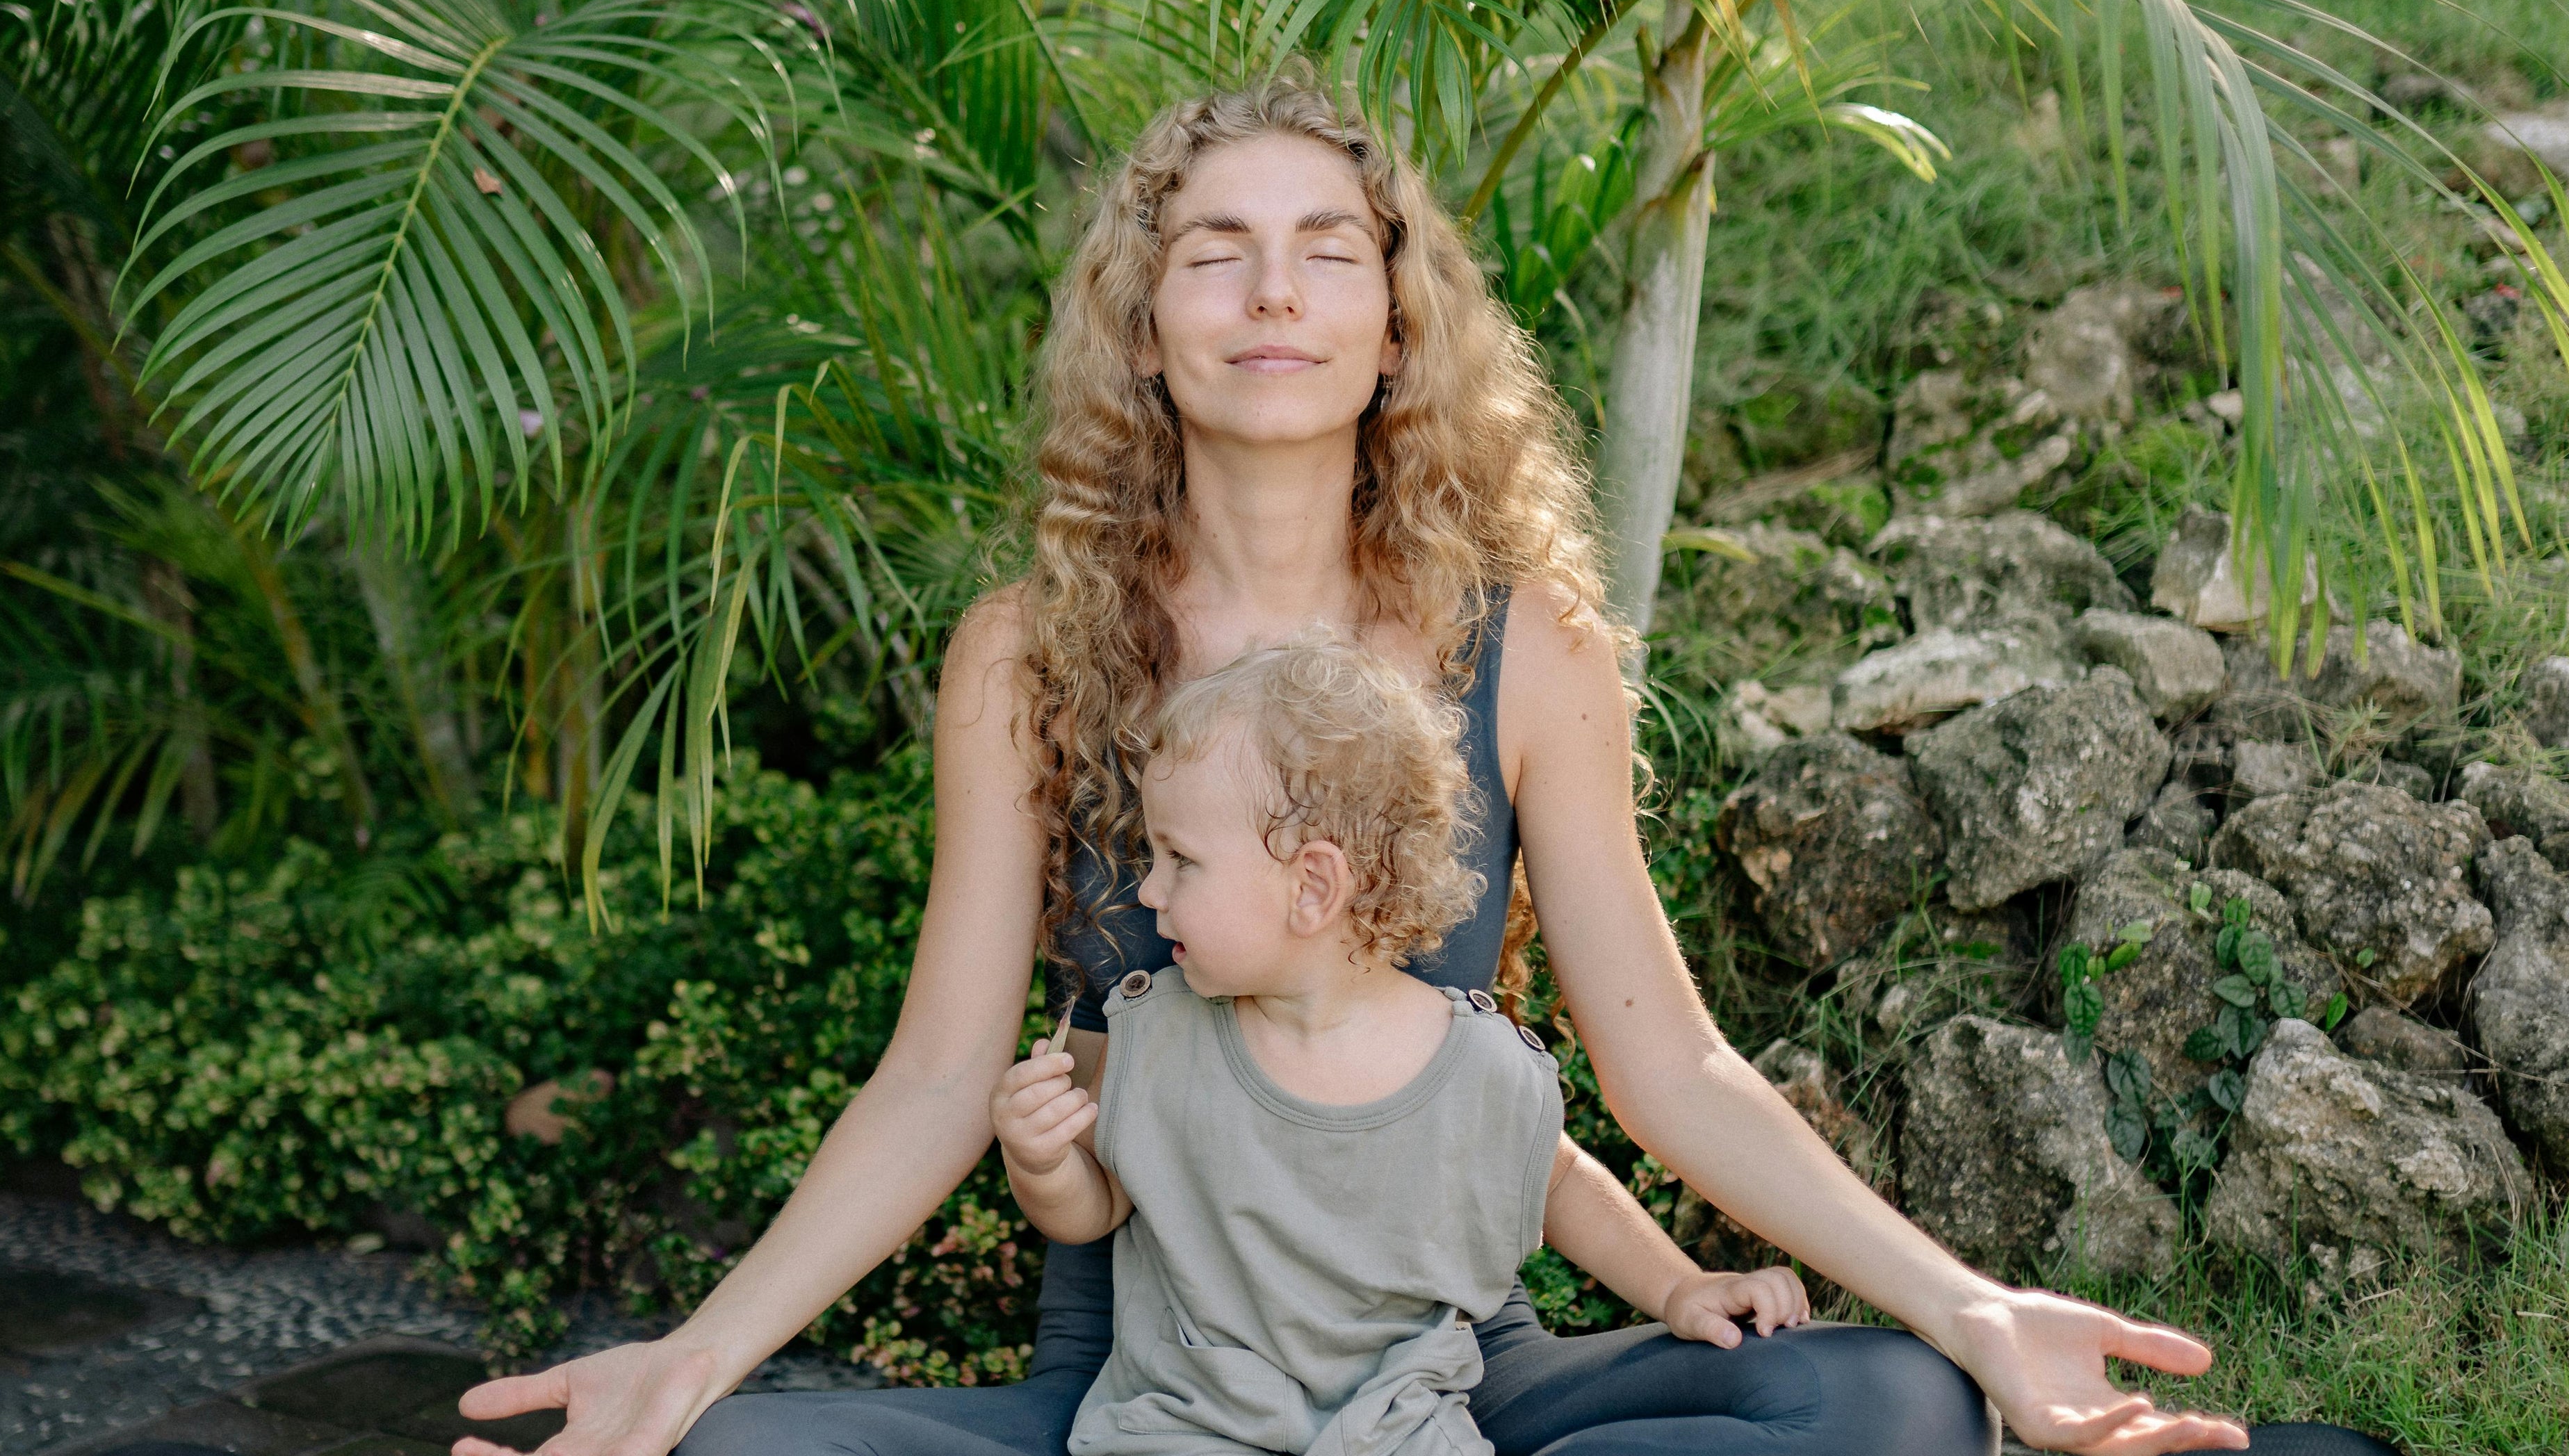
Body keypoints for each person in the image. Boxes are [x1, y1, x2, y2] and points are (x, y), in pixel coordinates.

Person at [456, 73, 2385, 1456]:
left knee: (1877, 1401)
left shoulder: (1523, 647)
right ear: (1146, 329)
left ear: (1395, 324)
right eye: (1216, 256)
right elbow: (941, 1080)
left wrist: (1969, 1305)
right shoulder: (1022, 658)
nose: (1274, 293)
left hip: (1454, 1379)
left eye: (1324, 251)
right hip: (1145, 1385)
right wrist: (694, 1358)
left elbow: (1670, 1066)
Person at [990, 634, 1812, 1456]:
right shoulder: (1157, 1033)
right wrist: (1042, 1161)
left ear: (1312, 886)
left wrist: (1681, 1286)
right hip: (1185, 1431)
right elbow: (1096, 1209)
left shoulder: (1476, 1065)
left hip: (1399, 1435)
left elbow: (1559, 1182)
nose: (1148, 890)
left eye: (1181, 860)